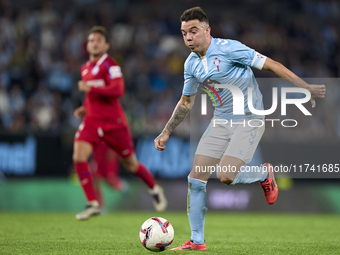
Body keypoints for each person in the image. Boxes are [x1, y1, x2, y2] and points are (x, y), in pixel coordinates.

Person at [154, 7, 325, 251]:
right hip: (221, 121)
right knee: (195, 178)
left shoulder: (229, 48)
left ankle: (264, 174)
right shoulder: (191, 64)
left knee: (225, 176)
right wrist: (166, 131)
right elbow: (185, 102)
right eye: (184, 33)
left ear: (207, 30)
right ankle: (197, 241)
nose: (189, 38)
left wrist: (304, 86)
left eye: (193, 31)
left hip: (249, 118)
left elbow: (272, 65)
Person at [73, 26, 167, 220]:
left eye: (99, 40)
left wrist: (90, 87)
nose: (95, 43)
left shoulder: (110, 65)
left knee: (131, 165)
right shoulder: (85, 68)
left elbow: (118, 90)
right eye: (91, 40)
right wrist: (84, 106)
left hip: (114, 123)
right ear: (87, 45)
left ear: (106, 45)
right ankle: (93, 203)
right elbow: (92, 96)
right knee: (78, 156)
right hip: (92, 121)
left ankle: (154, 188)